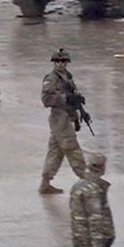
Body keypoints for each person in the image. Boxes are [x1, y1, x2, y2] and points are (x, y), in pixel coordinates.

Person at [39, 48, 88, 194]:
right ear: (54, 63)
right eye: (58, 61)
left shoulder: (67, 76)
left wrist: (78, 115)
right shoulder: (51, 79)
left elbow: (73, 97)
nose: (60, 64)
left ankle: (45, 183)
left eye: (63, 61)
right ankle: (86, 180)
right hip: (59, 119)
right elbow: (46, 100)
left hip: (67, 118)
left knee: (55, 152)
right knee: (72, 149)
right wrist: (65, 99)